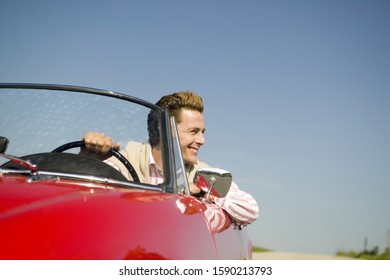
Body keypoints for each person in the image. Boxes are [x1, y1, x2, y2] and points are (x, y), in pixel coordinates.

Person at [82, 91, 259, 226]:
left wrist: (206, 191)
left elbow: (250, 210)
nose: (202, 141)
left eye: (202, 132)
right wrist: (89, 160)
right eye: (193, 132)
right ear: (166, 130)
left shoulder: (201, 173)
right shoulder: (129, 158)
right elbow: (88, 198)